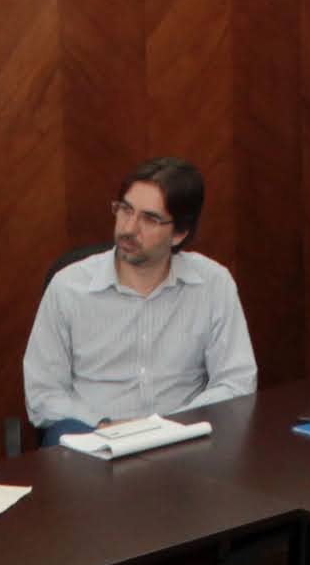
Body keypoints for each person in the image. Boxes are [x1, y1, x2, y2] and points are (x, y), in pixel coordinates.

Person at [21, 159, 257, 443]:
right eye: (125, 209)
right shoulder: (69, 287)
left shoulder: (213, 283)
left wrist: (169, 427)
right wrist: (107, 426)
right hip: (94, 438)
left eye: (149, 219)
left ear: (179, 234)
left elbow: (237, 382)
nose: (129, 228)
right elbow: (43, 392)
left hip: (182, 441)